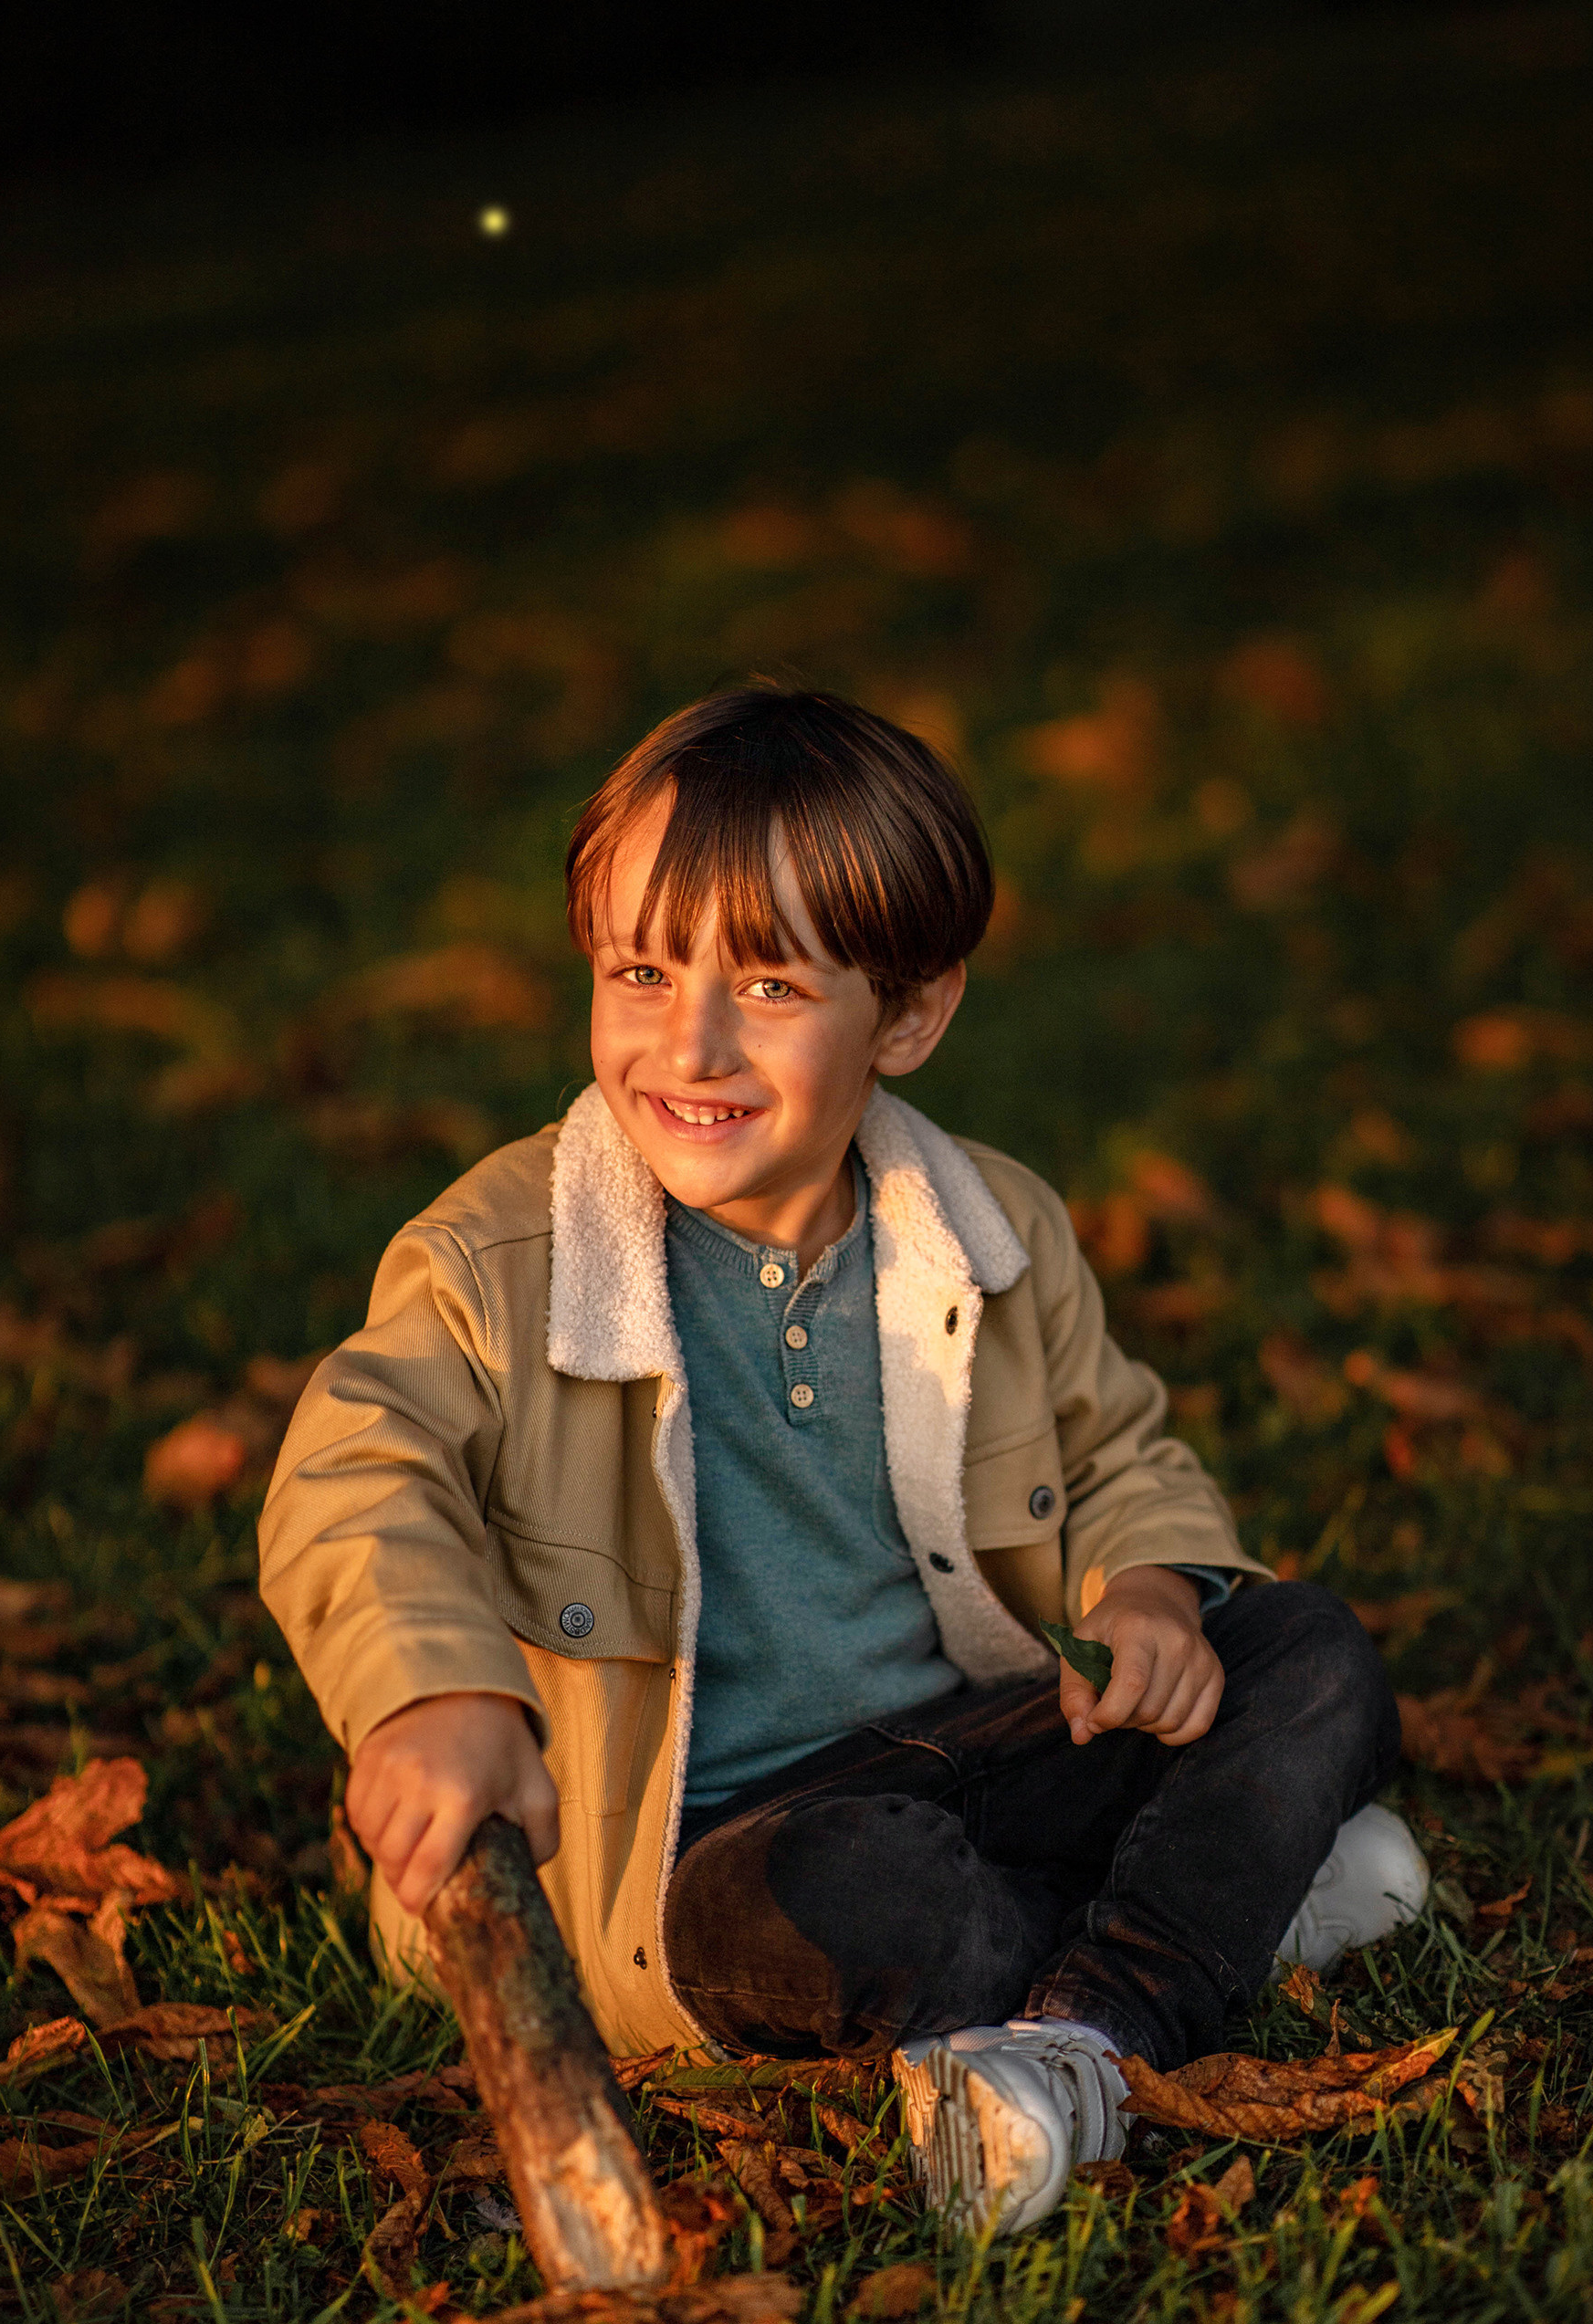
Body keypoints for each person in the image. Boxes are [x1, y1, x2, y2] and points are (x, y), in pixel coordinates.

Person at [259, 684, 1425, 2238]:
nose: (693, 1042)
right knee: (872, 1900)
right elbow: (358, 1473)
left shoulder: (988, 1230)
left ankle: (1089, 2036)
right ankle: (1199, 1923)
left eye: (768, 985)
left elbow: (1115, 1439)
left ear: (912, 1014)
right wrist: (435, 1693)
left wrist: (1141, 1586)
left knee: (1308, 1646)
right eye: (640, 970)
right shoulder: (500, 1261)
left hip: (971, 1743)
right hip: (701, 1857)